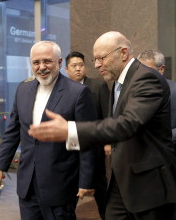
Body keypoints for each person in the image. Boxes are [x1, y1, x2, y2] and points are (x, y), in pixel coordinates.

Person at [28, 31, 176, 220]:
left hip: (148, 184)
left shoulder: (147, 78)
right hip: (121, 179)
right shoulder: (117, 82)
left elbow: (127, 124)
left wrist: (71, 130)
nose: (96, 65)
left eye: (101, 58)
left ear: (123, 53)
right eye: (95, 59)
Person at [0, 41, 97, 220]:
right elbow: (13, 131)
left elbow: (86, 139)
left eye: (47, 61)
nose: (41, 67)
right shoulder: (23, 89)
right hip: (27, 183)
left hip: (60, 184)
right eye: (36, 62)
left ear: (59, 62)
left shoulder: (78, 93)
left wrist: (86, 181)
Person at [65, 51, 110, 219]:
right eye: (74, 66)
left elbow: (107, 115)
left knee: (100, 189)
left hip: (94, 145)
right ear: (66, 69)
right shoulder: (63, 89)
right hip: (71, 147)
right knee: (71, 191)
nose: (78, 69)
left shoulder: (98, 86)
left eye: (81, 65)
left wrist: (107, 142)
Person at [137, 49, 176, 149]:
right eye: (140, 69)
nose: (143, 74)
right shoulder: (133, 91)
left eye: (148, 70)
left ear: (161, 69)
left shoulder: (174, 90)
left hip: (167, 151)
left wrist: (160, 138)